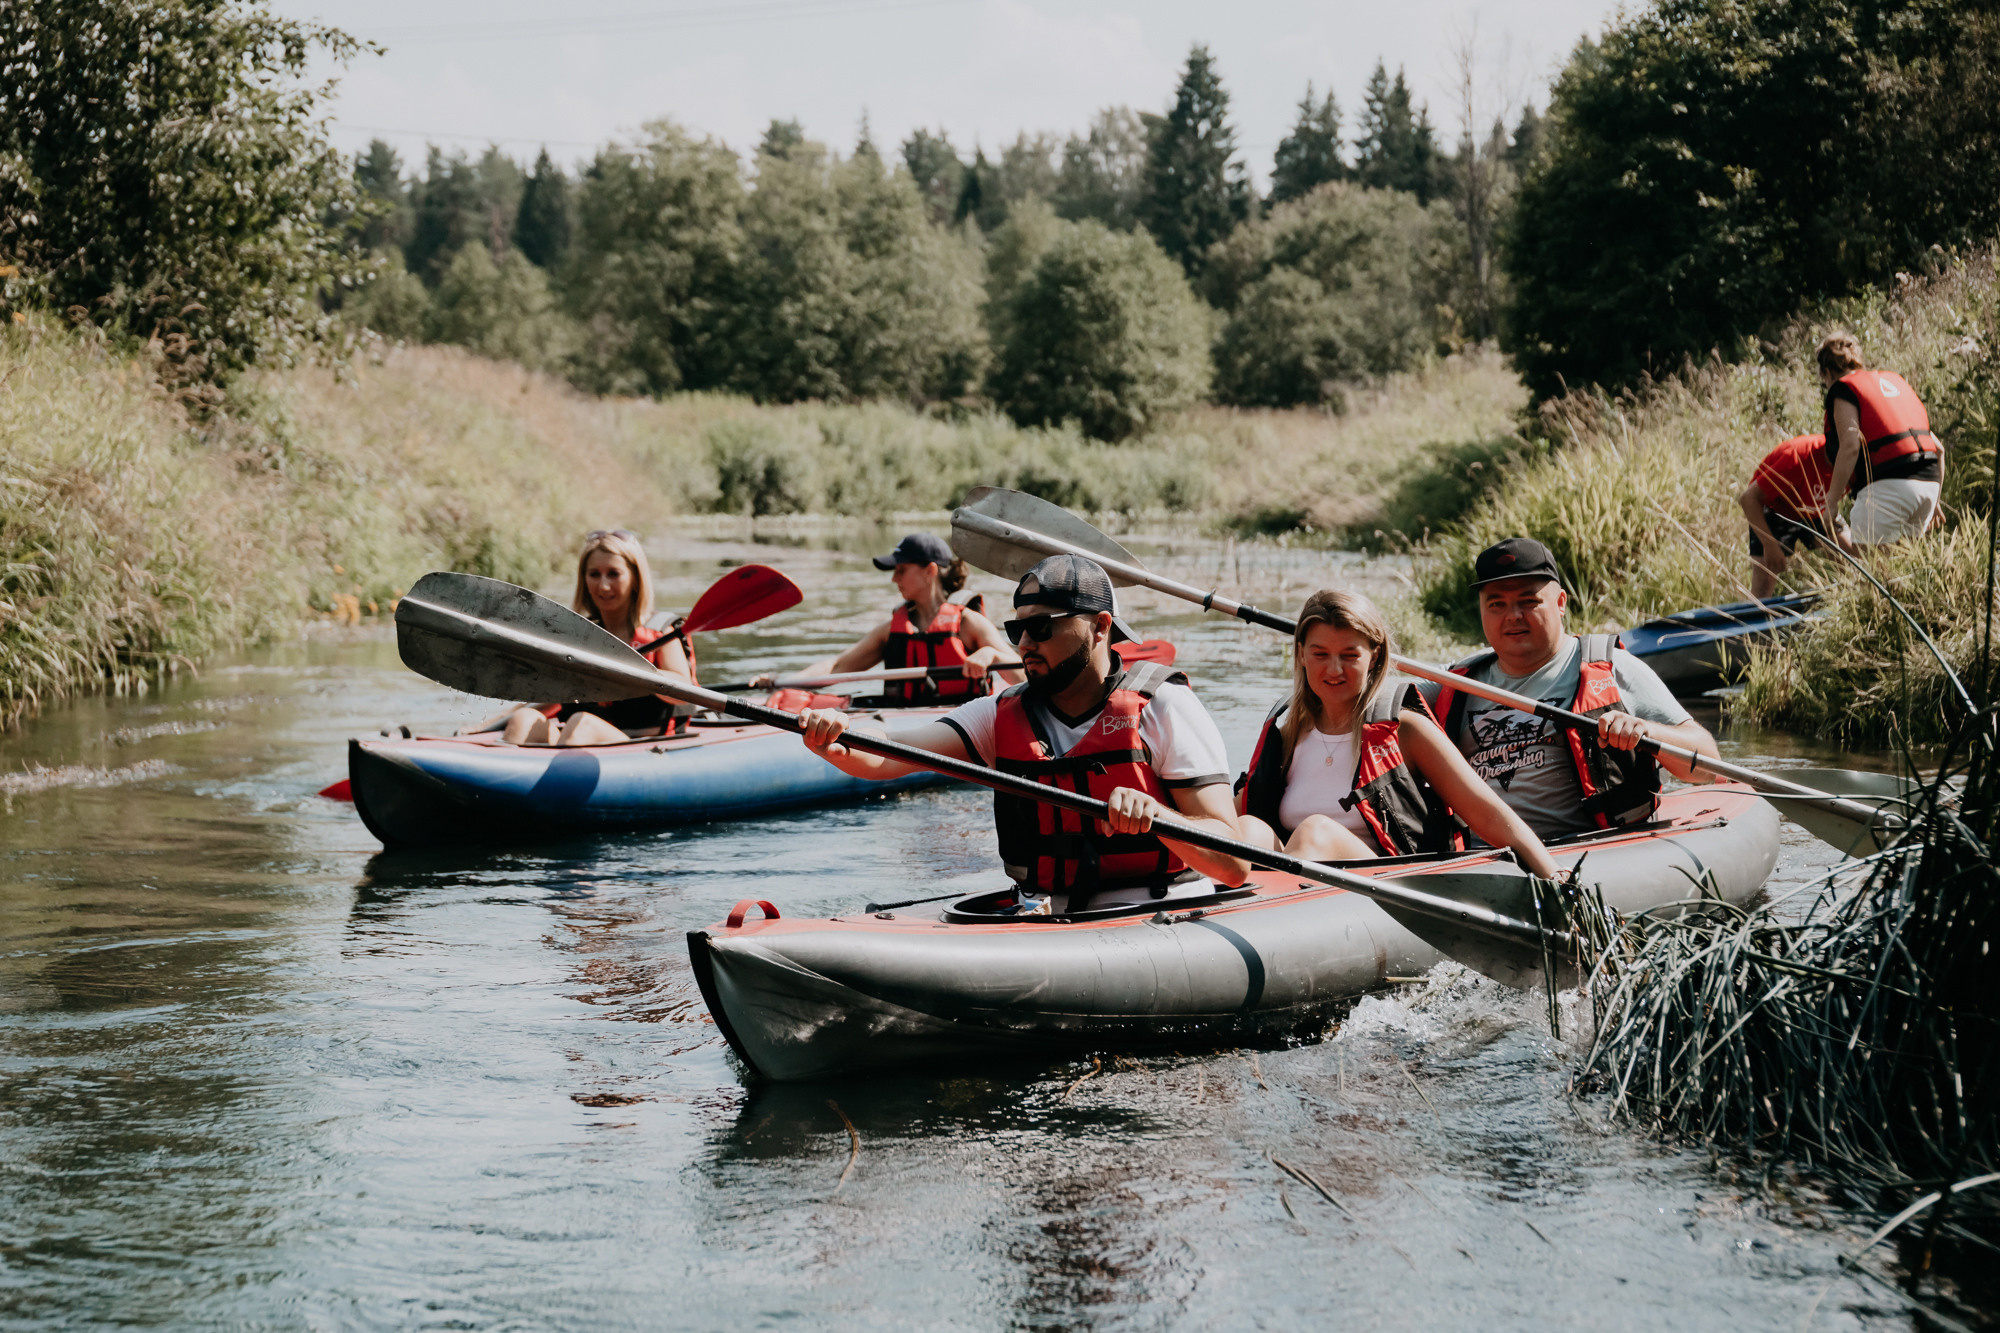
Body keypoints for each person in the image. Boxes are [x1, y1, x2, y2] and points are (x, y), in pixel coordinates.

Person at [798, 553, 1249, 912]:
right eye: (1016, 630)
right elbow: (888, 756)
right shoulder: (999, 715)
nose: (1024, 644)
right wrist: (836, 743)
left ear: (1100, 626)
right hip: (1045, 912)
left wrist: (1159, 815)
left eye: (1041, 627)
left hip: (1160, 913)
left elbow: (1232, 865)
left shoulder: (1165, 707)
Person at [1236, 589, 1560, 878]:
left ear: (1374, 656)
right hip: (1296, 882)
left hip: (1389, 891)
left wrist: (1555, 878)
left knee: (1315, 832)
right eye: (1320, 654)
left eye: (1350, 655)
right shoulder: (1287, 732)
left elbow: (1490, 816)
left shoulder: (1405, 729)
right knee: (1247, 829)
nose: (1334, 669)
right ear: (1302, 654)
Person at [1421, 538, 1723, 843]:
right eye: (1496, 604)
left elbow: (1706, 766)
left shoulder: (1614, 667)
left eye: (1529, 601)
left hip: (1581, 850)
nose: (1512, 615)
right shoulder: (1456, 680)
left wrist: (1645, 730)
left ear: (1561, 603)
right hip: (1476, 858)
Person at [481, 530, 695, 746]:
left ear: (635, 578)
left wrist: (634, 671)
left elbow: (684, 692)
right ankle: (508, 777)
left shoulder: (662, 633)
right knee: (523, 720)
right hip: (584, 743)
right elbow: (555, 696)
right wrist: (491, 723)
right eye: (594, 574)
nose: (603, 586)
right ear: (584, 579)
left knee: (582, 724)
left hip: (642, 746)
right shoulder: (581, 637)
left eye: (614, 574)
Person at [753, 533, 1021, 704]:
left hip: (963, 719)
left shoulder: (968, 623)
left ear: (929, 571)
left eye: (901, 570)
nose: (894, 578)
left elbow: (1023, 677)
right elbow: (838, 667)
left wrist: (991, 655)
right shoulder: (890, 631)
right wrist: (784, 681)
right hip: (904, 720)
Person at [1817, 332, 1944, 549]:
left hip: (1888, 488)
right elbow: (1939, 449)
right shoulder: (1892, 381)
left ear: (1827, 372)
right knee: (1901, 573)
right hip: (1929, 484)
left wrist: (1831, 501)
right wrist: (1936, 501)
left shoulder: (1843, 389)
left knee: (1870, 574)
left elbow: (1850, 445)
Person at [1739, 433, 1835, 598]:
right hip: (1776, 508)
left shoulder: (1857, 460)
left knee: (1851, 558)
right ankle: (1758, 619)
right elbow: (1747, 499)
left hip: (1817, 508)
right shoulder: (1797, 458)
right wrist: (1769, 545)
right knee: (1763, 585)